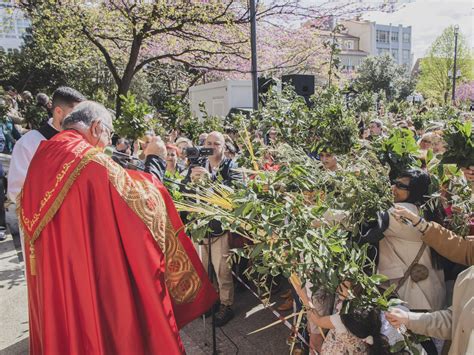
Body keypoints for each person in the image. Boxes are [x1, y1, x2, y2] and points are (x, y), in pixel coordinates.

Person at [18, 101, 217, 354]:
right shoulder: (89, 161)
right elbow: (142, 203)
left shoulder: (44, 154)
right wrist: (154, 158)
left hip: (59, 276)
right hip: (91, 279)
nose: (107, 143)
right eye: (109, 134)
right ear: (97, 127)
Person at [184, 131, 243, 326]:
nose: (211, 146)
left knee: (222, 271)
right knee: (202, 269)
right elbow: (183, 190)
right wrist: (189, 183)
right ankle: (211, 300)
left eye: (216, 143)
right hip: (200, 227)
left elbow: (237, 194)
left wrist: (211, 180)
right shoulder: (197, 164)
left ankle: (226, 305)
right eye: (207, 143)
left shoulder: (232, 166)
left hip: (220, 229)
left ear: (224, 147)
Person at [8, 86, 86, 203]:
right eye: (76, 116)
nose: (81, 122)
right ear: (59, 112)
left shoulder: (83, 144)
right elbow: (16, 192)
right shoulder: (28, 143)